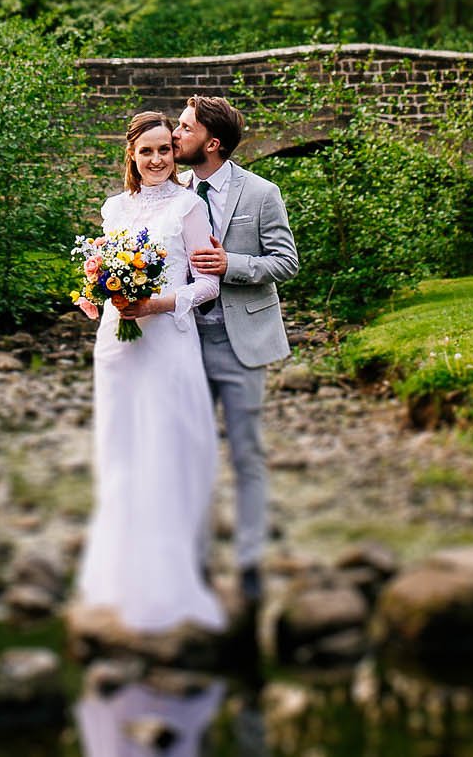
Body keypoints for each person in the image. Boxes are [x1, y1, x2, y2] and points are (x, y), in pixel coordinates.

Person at [73, 111, 226, 634]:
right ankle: (118, 575)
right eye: (147, 151)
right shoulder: (113, 208)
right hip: (117, 344)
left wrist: (157, 303)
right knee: (121, 448)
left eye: (165, 149)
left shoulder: (189, 206)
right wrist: (97, 293)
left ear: (174, 153)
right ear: (132, 156)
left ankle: (169, 578)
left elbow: (207, 285)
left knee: (163, 446)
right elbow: (104, 271)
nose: (158, 159)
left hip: (167, 341)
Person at [174, 95, 299, 606]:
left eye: (185, 128)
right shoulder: (171, 192)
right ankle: (195, 560)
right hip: (181, 343)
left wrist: (233, 265)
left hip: (240, 343)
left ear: (213, 143)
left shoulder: (262, 193)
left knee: (247, 455)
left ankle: (249, 563)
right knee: (191, 456)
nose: (175, 135)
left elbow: (286, 262)